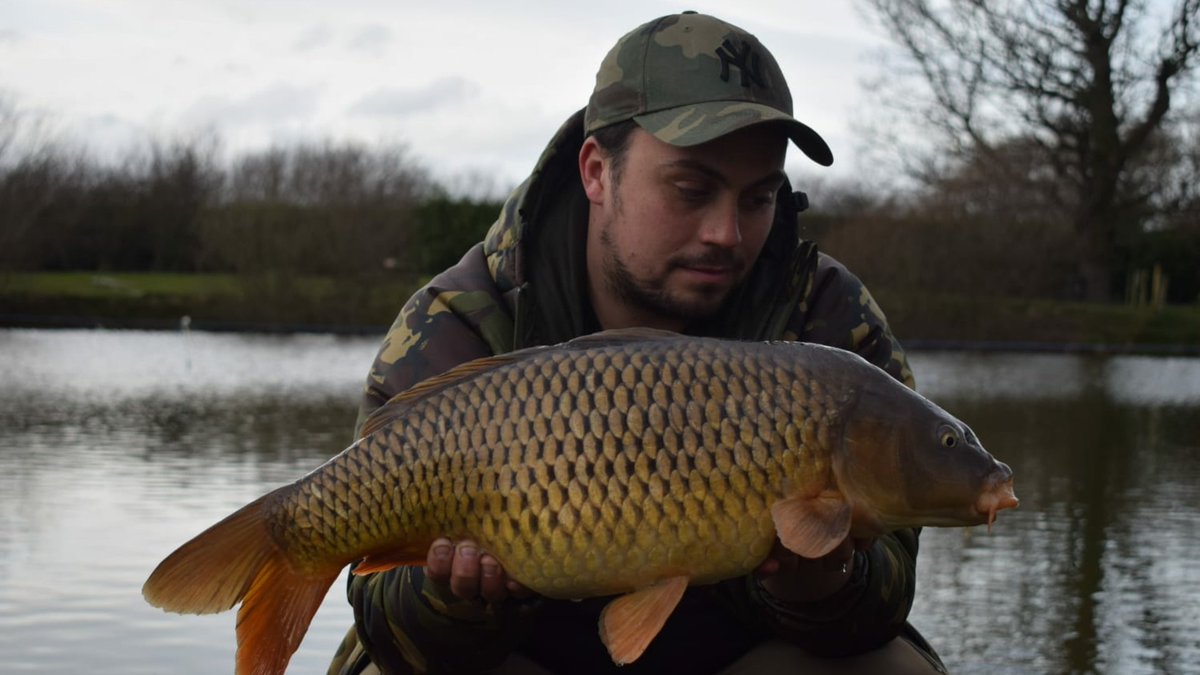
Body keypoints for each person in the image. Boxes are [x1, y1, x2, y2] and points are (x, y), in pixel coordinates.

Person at [329, 11, 944, 675]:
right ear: (597, 171)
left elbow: (890, 582)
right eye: (691, 189)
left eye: (758, 198)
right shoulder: (463, 320)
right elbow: (378, 601)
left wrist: (822, 583)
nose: (726, 233)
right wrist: (453, 597)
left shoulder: (827, 321)